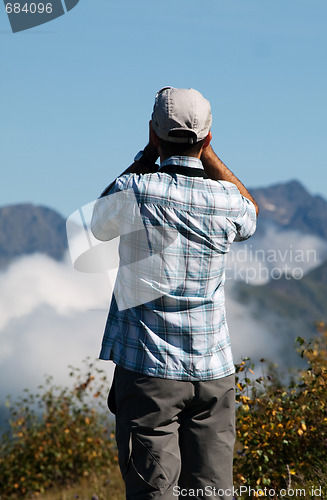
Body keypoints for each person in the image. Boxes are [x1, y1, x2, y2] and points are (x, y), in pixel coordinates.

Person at [91, 87, 258, 500]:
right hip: (213, 372)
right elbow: (250, 212)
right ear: (208, 138)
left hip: (149, 373)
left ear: (154, 133)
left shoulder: (136, 191)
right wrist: (209, 156)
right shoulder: (225, 202)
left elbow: (97, 224)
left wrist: (149, 155)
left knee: (154, 493)